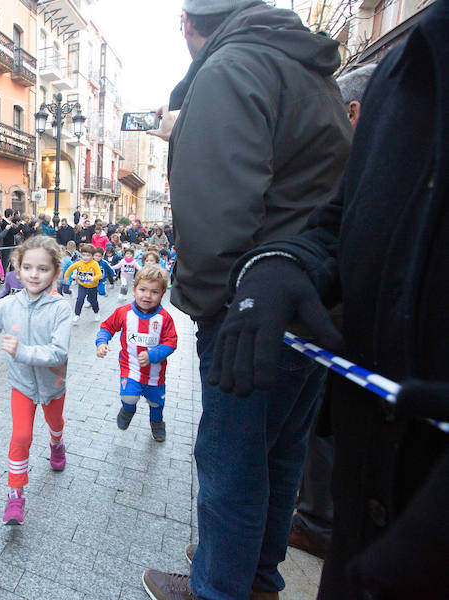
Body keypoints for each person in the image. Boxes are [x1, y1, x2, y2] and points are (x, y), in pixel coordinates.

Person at [208, 2, 449, 596]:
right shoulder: (403, 65)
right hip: (366, 509)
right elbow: (344, 220)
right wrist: (282, 263)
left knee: (237, 468)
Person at [139, 0, 352, 598]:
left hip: (251, 307)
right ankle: (255, 577)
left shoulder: (231, 67)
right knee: (280, 455)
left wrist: (213, 311)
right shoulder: (306, 65)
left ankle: (219, 587)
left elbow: (216, 214)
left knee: (231, 463)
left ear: (187, 24)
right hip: (309, 297)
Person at [288, 61, 379, 562]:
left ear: (351, 110)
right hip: (342, 319)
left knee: (322, 422)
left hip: (338, 324)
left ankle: (318, 518)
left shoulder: (356, 164)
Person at [0, 235, 72, 525]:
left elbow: (59, 353)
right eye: (27, 267)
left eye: (43, 269)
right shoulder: (8, 304)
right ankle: (15, 494)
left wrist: (22, 351)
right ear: (17, 268)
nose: (34, 274)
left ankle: (57, 443)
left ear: (55, 271)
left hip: (53, 385)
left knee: (55, 423)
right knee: (21, 436)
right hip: (21, 385)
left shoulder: (61, 308)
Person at [96, 264, 177, 441]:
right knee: (129, 397)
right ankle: (128, 410)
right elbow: (107, 327)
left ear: (162, 294)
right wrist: (101, 343)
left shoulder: (164, 318)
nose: (147, 296)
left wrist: (152, 355)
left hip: (155, 374)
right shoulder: (123, 313)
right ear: (134, 290)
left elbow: (171, 342)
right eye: (143, 289)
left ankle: (157, 423)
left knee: (156, 403)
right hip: (130, 368)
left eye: (154, 292)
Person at [64, 245, 102, 323]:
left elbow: (99, 275)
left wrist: (92, 278)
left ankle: (96, 312)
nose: (85, 257)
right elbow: (70, 268)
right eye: (83, 255)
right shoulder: (79, 263)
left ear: (92, 256)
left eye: (88, 255)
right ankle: (77, 315)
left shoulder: (95, 264)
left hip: (92, 287)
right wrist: (66, 276)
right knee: (80, 299)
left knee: (93, 301)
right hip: (82, 286)